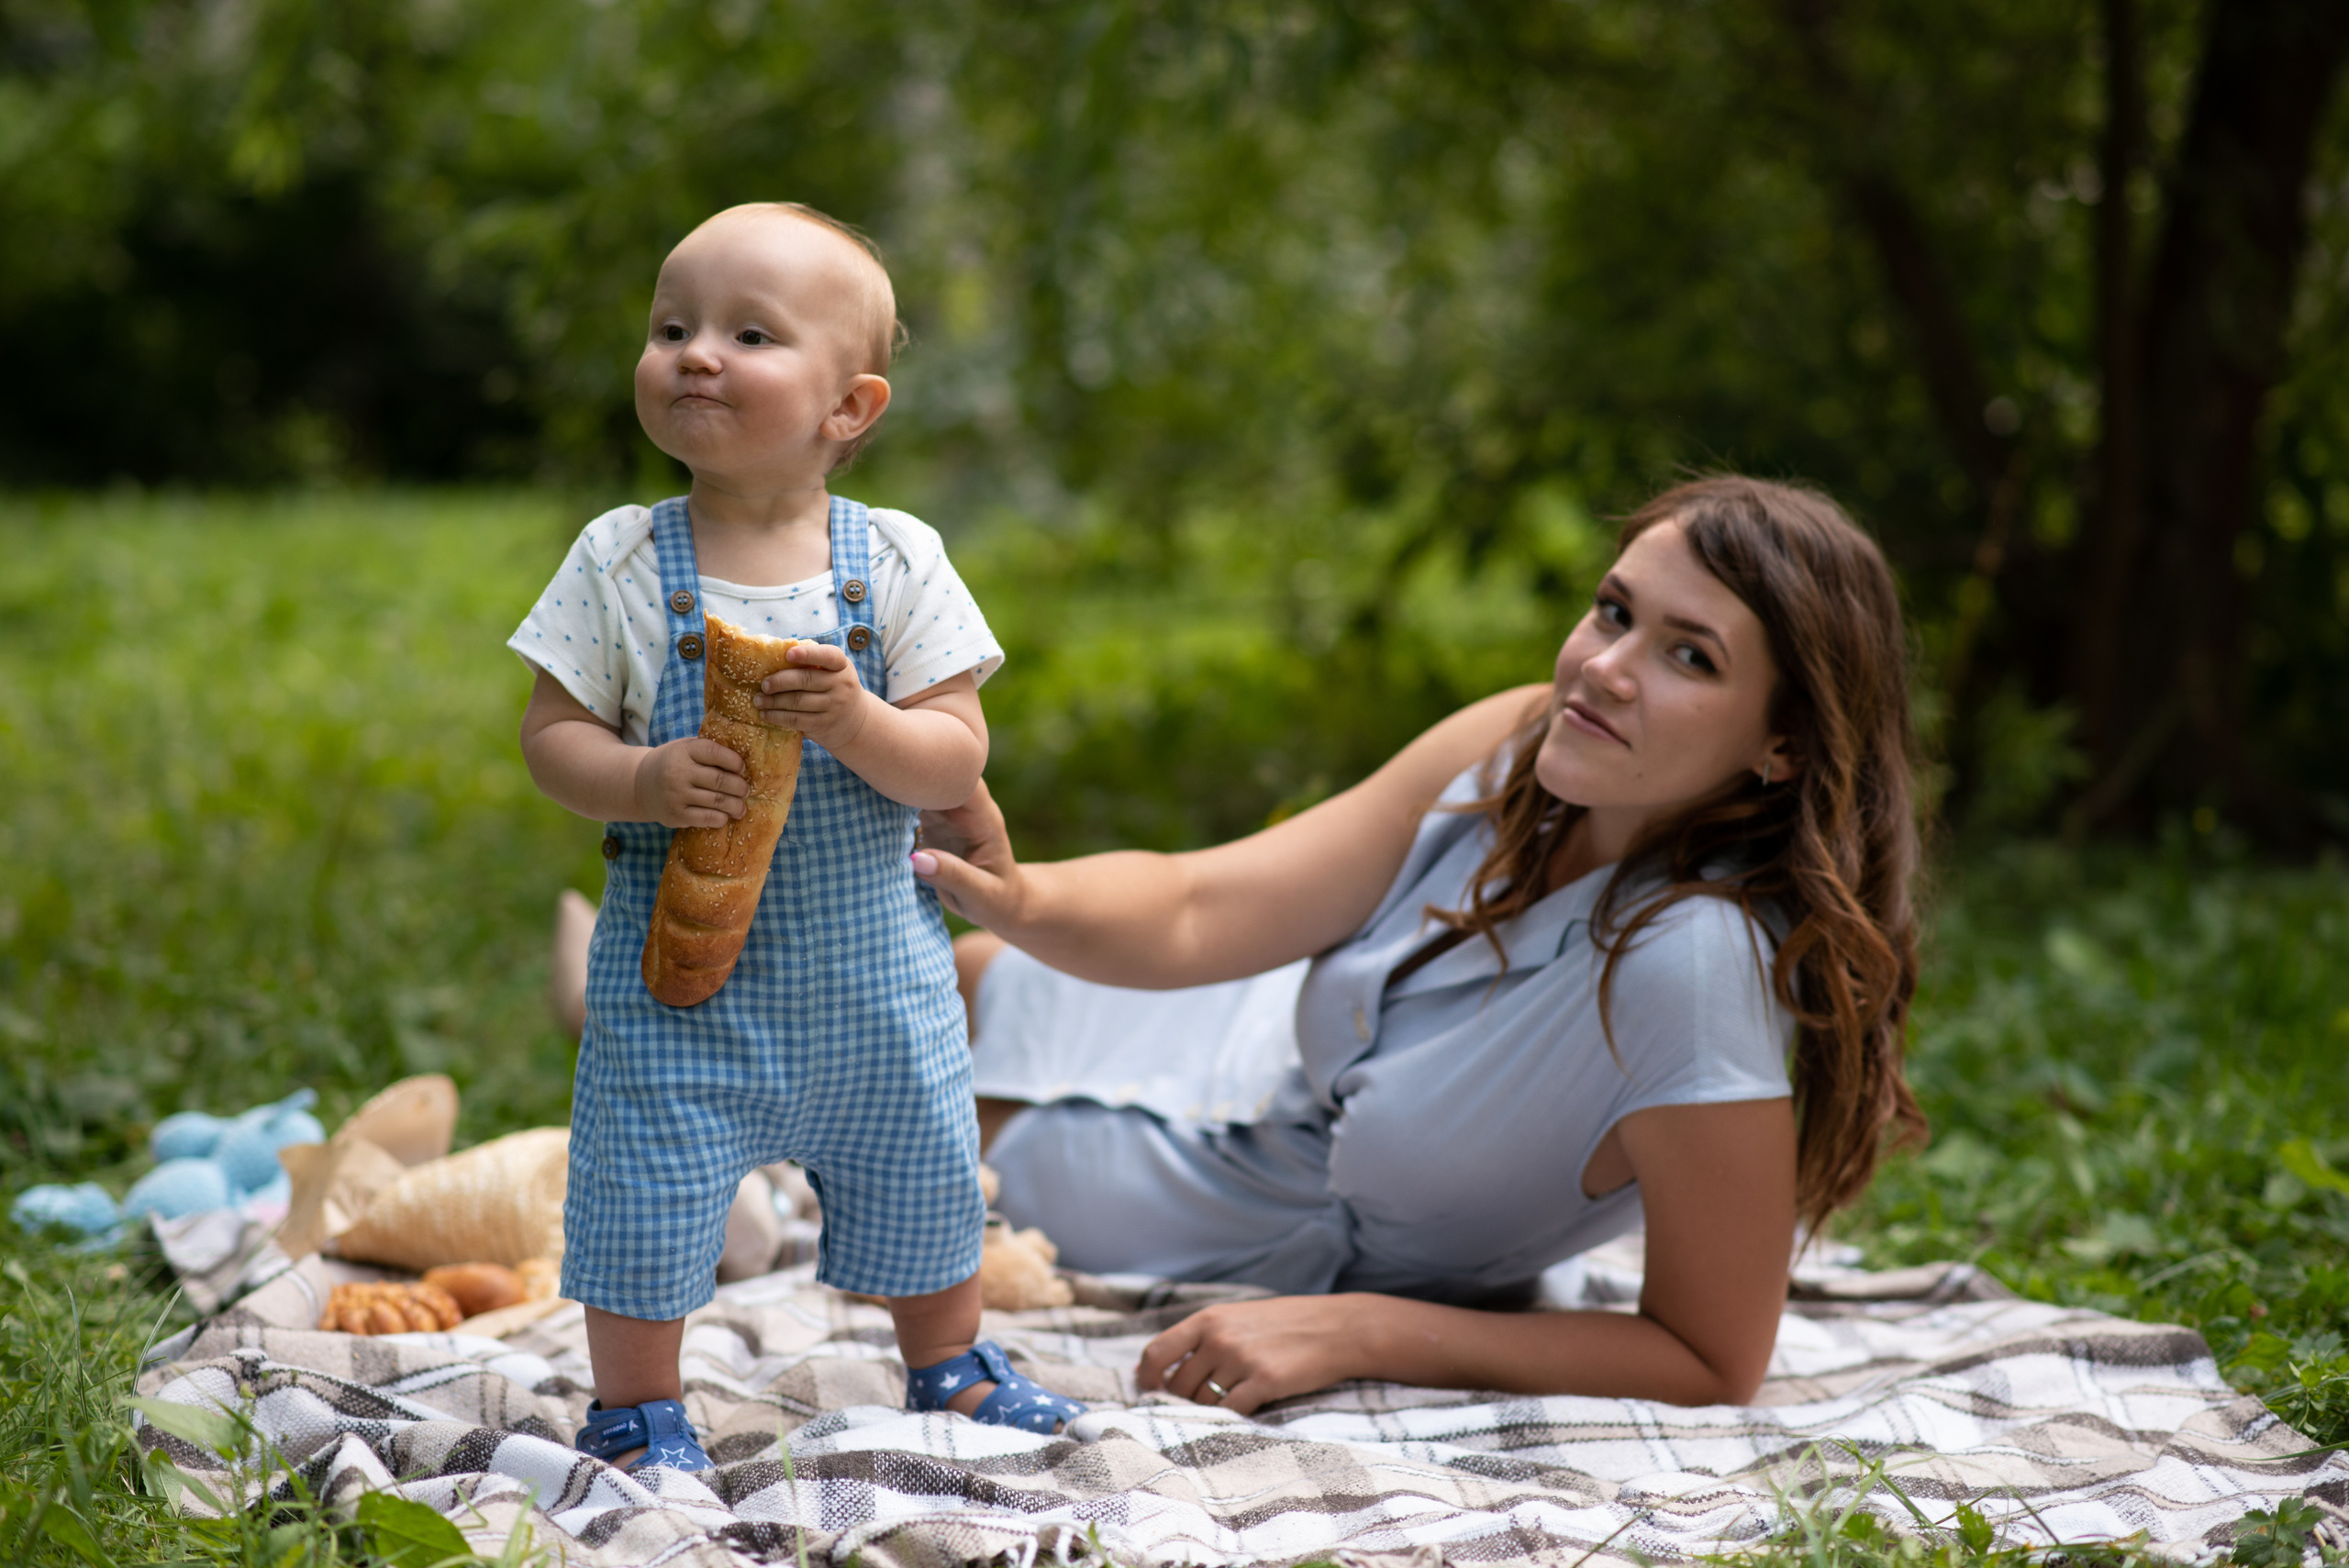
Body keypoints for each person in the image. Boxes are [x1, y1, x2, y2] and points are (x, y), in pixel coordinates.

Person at [912, 475, 1925, 1413]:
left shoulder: (1692, 966)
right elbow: (1201, 902)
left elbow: (1712, 1356)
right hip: (1246, 1044)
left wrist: (1361, 1330)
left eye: (1689, 655)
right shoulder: (1523, 739)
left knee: (933, 1139)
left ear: (1783, 743)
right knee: (956, 981)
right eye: (1615, 612)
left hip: (1258, 1214)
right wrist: (1019, 894)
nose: (1605, 669)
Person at [510, 202, 1081, 1473]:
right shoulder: (618, 559)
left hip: (874, 978)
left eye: (750, 334)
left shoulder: (896, 559)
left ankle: (949, 1358)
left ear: (850, 406)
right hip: (680, 992)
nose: (697, 354)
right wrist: (644, 776)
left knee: (926, 1163)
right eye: (672, 328)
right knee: (641, 1183)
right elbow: (551, 739)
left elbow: (955, 751)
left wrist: (861, 721)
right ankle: (637, 1403)